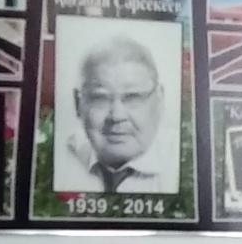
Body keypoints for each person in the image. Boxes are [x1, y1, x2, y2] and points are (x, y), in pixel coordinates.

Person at [60, 33, 174, 196]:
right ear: (78, 104)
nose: (117, 116)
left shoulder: (184, 167)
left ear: (159, 100)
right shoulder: (58, 160)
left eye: (133, 97)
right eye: (100, 98)